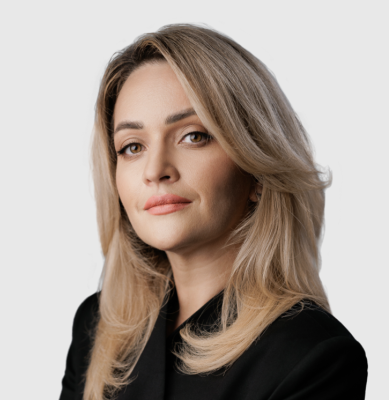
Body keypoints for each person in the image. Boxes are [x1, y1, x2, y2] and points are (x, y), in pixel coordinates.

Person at [59, 24, 368, 400]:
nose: (155, 170)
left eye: (194, 136)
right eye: (132, 146)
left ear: (256, 169)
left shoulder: (312, 356)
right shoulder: (98, 327)